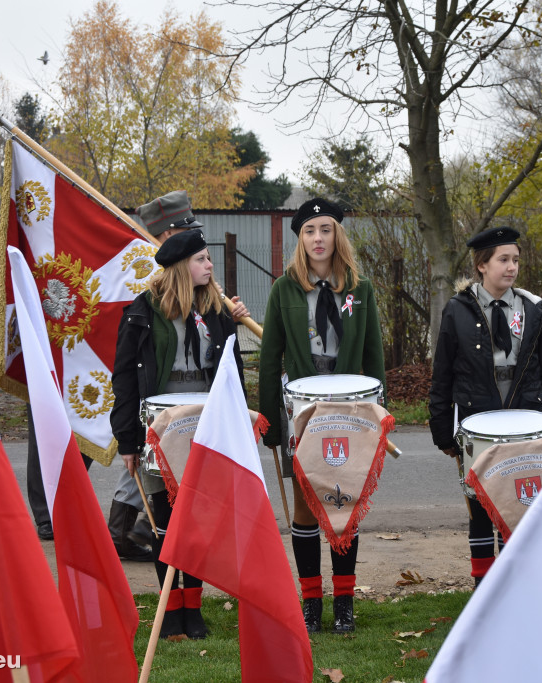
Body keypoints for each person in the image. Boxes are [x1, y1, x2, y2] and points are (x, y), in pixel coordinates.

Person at [110, 228, 248, 639]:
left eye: (208, 259)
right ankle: (171, 611)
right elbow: (124, 379)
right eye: (203, 259)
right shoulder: (141, 312)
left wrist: (233, 325)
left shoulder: (218, 312)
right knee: (165, 524)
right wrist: (128, 441)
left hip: (205, 428)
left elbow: (231, 375)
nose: (210, 266)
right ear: (181, 267)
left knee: (199, 522)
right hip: (158, 430)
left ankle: (193, 609)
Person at [258, 197, 385, 635]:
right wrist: (271, 424)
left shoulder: (359, 289)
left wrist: (379, 416)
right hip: (302, 413)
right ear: (301, 239)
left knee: (344, 503)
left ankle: (344, 604)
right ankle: (311, 604)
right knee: (306, 508)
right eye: (310, 231)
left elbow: (374, 356)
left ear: (337, 235)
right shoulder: (284, 289)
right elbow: (270, 357)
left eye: (325, 230)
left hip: (350, 410)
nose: (318, 238)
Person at [428, 226, 542, 584]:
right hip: (477, 421)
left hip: (525, 421)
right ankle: (483, 585)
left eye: (516, 260)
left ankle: (515, 584)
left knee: (518, 504)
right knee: (480, 508)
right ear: (482, 265)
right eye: (503, 259)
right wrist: (442, 430)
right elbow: (442, 374)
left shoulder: (532, 310)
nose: (512, 267)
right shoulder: (457, 311)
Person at [106, 191, 206, 562]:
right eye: (185, 229)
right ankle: (130, 527)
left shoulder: (187, 264)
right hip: (159, 388)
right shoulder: (157, 271)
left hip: (193, 392)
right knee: (152, 456)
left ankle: (132, 527)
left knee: (165, 463)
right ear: (168, 234)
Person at [0, 291, 58, 540]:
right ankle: (46, 515)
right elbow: (3, 297)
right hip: (43, 355)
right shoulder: (29, 251)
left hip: (86, 358)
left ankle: (68, 503)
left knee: (87, 440)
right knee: (44, 439)